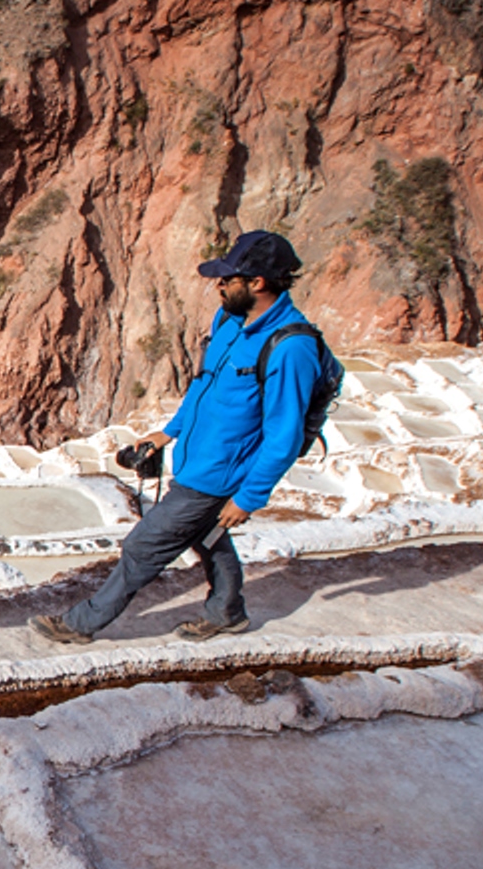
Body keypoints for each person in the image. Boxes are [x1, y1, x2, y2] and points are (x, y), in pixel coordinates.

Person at [30, 230, 321, 646]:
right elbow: (204, 388)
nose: (218, 285)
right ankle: (227, 612)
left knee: (142, 547)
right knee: (208, 536)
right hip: (195, 458)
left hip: (220, 474)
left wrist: (249, 497)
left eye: (228, 278)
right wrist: (170, 431)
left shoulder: (291, 348)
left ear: (258, 282)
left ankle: (81, 624)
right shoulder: (229, 321)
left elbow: (284, 434)